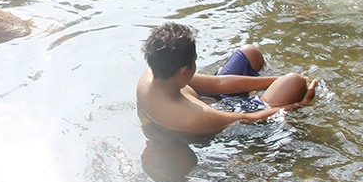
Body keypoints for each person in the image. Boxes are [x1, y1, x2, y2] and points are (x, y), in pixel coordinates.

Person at [136, 22, 317, 136]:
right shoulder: (194, 117)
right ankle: (270, 94)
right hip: (229, 118)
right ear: (184, 71)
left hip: (210, 103)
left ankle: (269, 89)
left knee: (250, 53)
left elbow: (218, 84)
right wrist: (299, 104)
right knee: (295, 82)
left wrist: (274, 80)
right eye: (194, 61)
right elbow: (249, 118)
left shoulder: (154, 73)